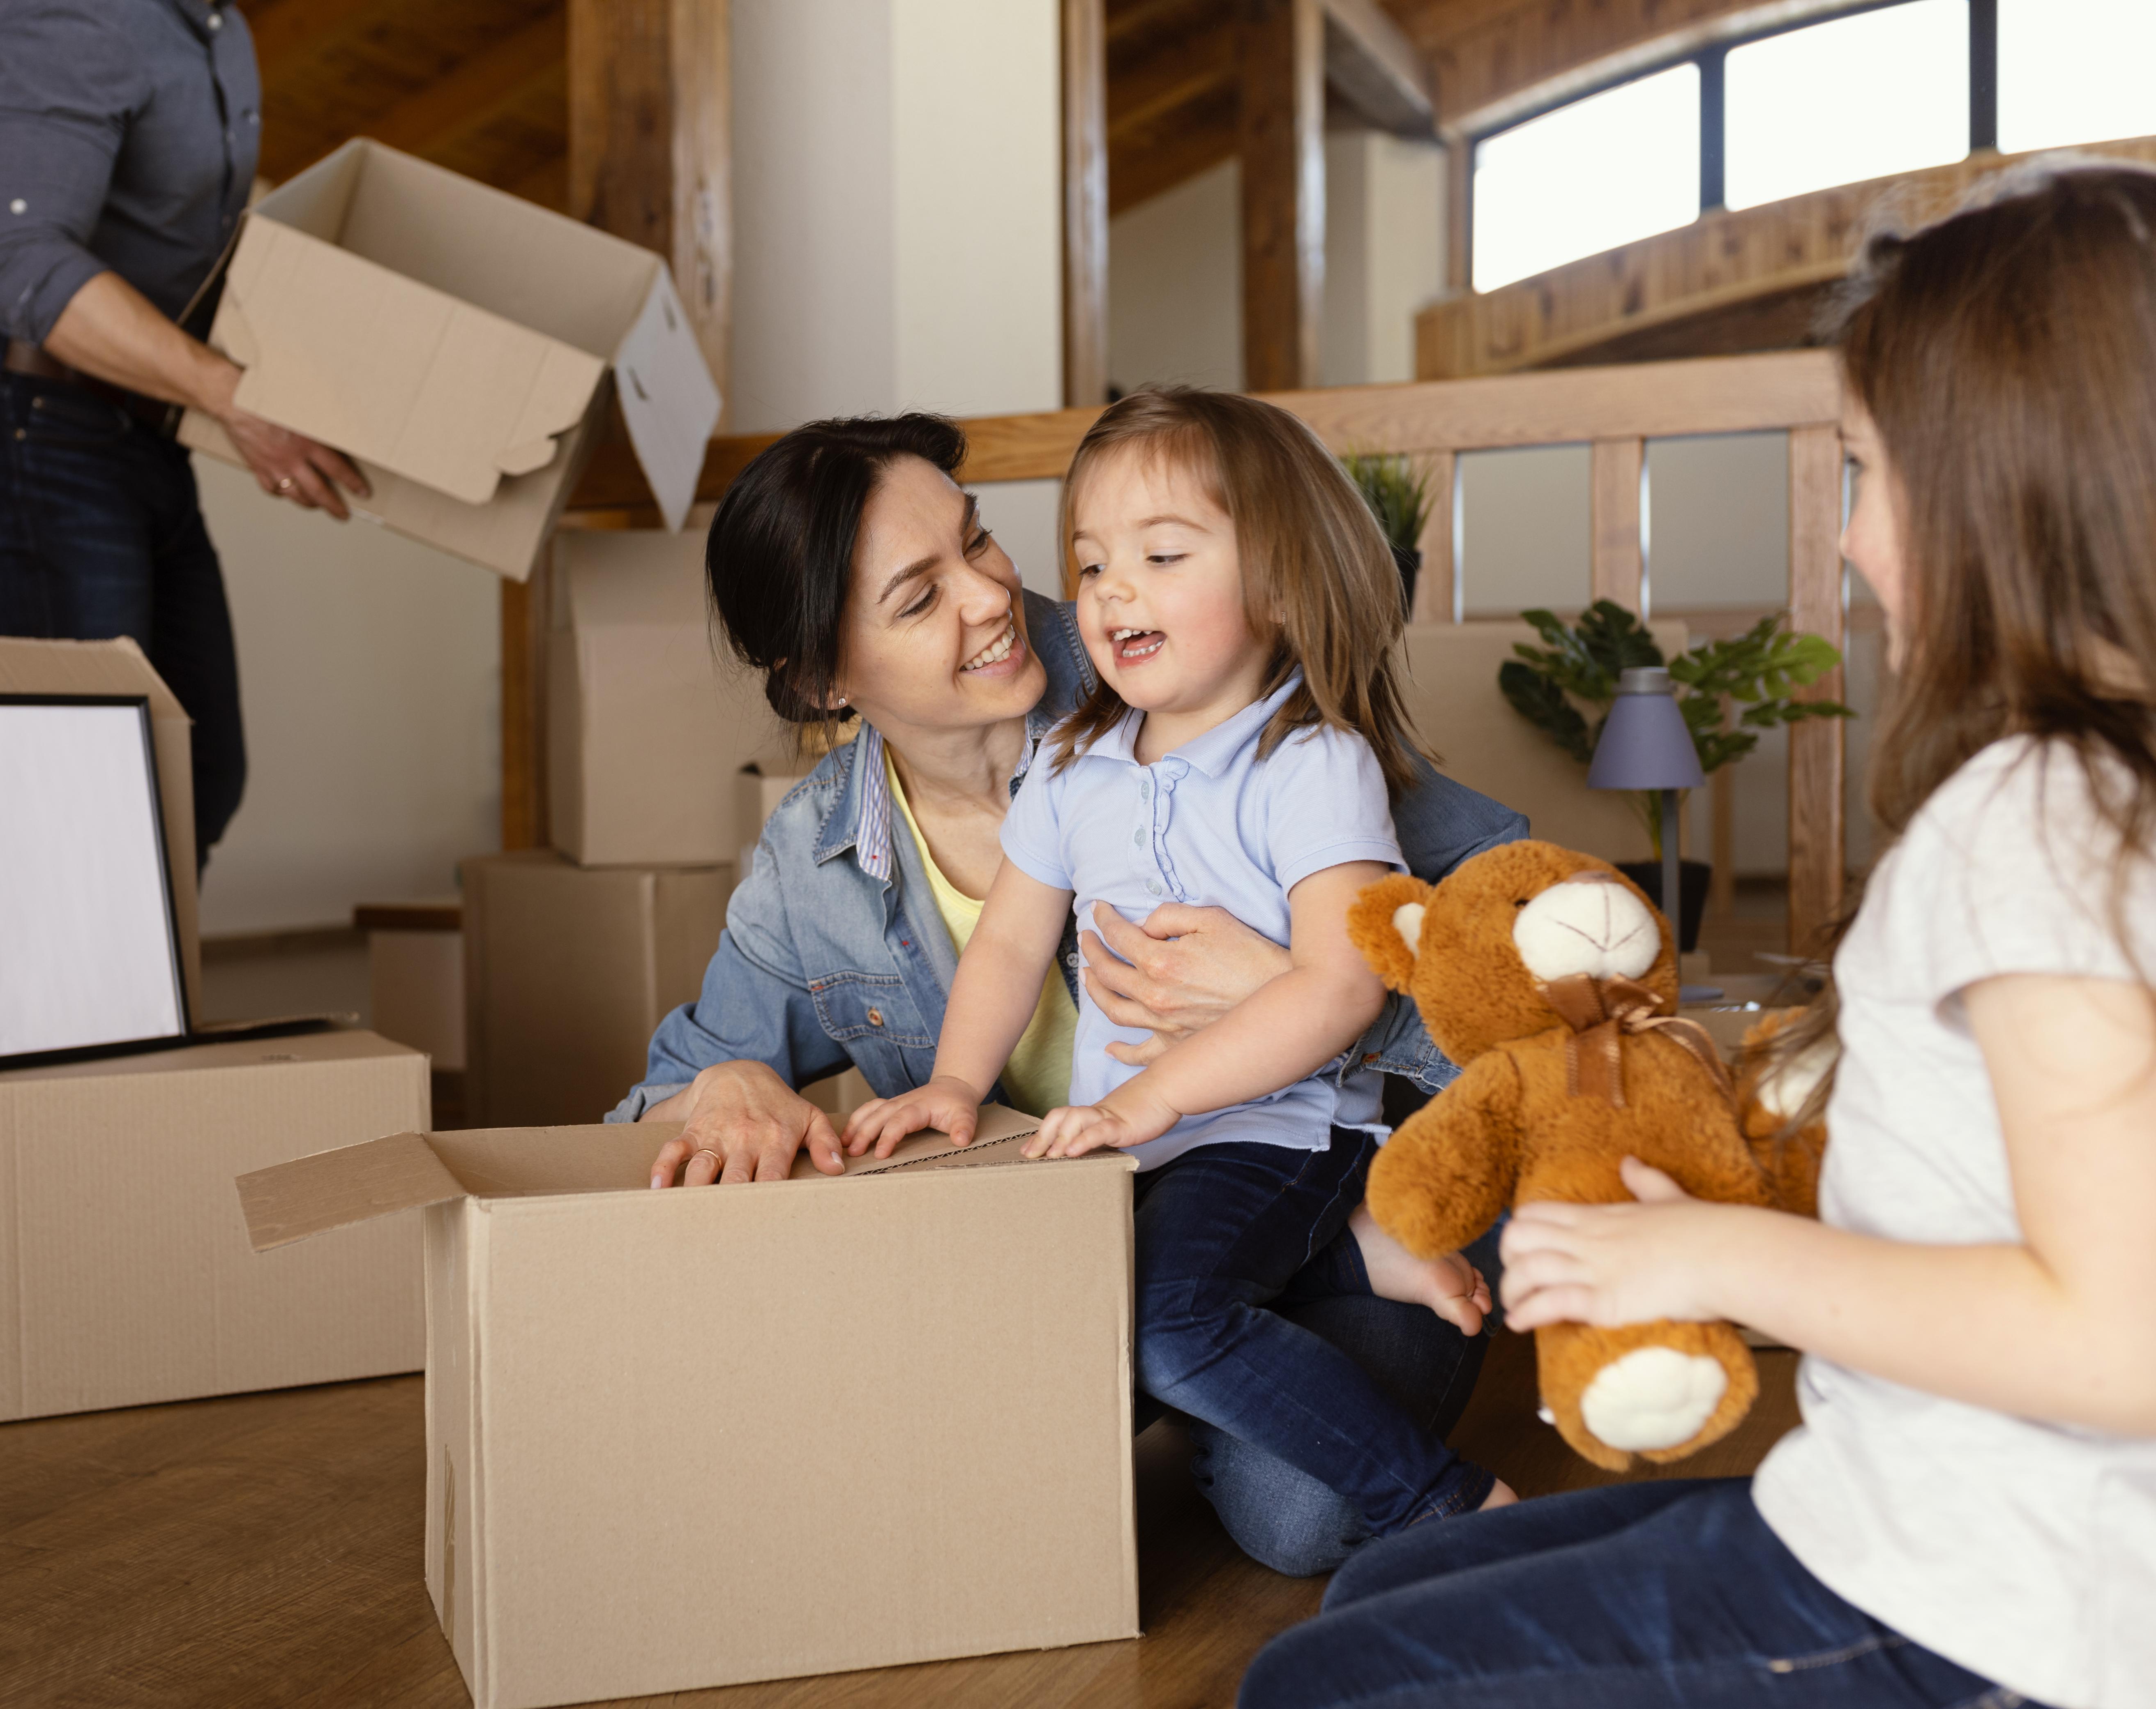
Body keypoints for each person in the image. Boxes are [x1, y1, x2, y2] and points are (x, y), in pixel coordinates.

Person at [1239, 159, 2156, 1709]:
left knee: (1314, 1691)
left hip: (1996, 1607)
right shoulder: (2095, 795)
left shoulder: (2044, 822)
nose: (1854, 548)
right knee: (1387, 1578)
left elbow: (2121, 1339)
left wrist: (1709, 1250)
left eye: (1869, 473)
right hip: (1922, 1513)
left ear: (2006, 478)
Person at [607, 409, 1529, 1577]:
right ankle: (1290, 1287)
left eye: (978, 543)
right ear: (822, 683)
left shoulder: (1206, 678)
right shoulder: (833, 863)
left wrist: (1310, 993)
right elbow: (664, 1094)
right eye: (917, 598)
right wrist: (734, 1081)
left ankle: (1360, 1310)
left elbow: (1542, 974)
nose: (994, 597)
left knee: (1304, 1517)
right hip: (1116, 1199)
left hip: (1313, 1153)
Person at [847, 389, 1515, 1544]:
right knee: (1029, 1338)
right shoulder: (1072, 763)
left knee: (1162, 1325)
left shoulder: (1311, 761)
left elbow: (1344, 982)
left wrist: (1146, 1099)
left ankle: (1448, 1503)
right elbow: (1009, 938)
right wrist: (957, 1086)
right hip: (1137, 1144)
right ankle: (1350, 1265)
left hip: (1280, 1132)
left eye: (1161, 555)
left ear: (1275, 586)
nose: (1111, 591)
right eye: (1093, 562)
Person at [0, 0, 369, 866]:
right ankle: (69, 1004)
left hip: (140, 431)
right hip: (33, 426)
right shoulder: (74, 14)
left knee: (199, 773)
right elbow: (21, 259)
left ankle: (149, 1003)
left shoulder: (216, 31)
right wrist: (238, 399)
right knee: (87, 785)